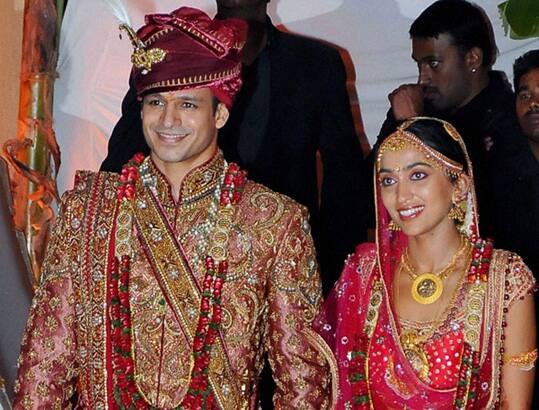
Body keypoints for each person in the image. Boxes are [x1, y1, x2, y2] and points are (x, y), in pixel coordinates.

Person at [13, 7, 332, 409]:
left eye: (188, 104)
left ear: (220, 112)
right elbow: (46, 364)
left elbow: (304, 385)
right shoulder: (88, 210)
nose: (168, 119)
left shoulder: (273, 221)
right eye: (156, 102)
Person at [100, 0, 370, 297]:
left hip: (286, 272)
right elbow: (120, 165)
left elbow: (344, 183)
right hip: (183, 268)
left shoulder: (315, 64)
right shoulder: (177, 58)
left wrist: (336, 283)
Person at [315, 117, 537, 409]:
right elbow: (335, 389)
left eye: (417, 175)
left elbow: (515, 404)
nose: (401, 196)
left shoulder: (505, 279)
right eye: (388, 181)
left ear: (459, 186)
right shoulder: (365, 272)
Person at [372, 0, 525, 241]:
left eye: (433, 64)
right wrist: (405, 125)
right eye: (419, 64)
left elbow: (482, 212)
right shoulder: (417, 107)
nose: (423, 78)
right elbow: (365, 199)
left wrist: (413, 128)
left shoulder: (513, 117)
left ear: (473, 59)